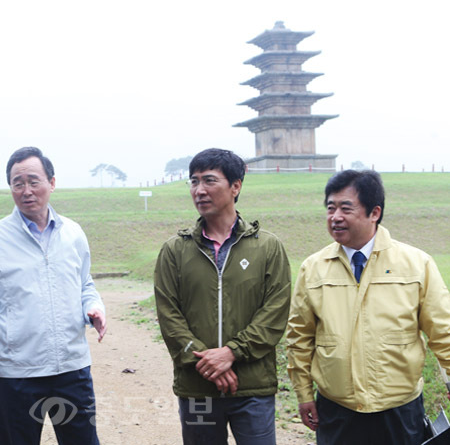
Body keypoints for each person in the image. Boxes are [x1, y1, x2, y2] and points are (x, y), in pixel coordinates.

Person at [286, 169, 450, 445]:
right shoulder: (313, 268)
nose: (335, 216)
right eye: (330, 208)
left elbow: (443, 331)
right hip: (337, 410)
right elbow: (299, 338)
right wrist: (304, 395)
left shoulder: (416, 264)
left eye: (345, 208)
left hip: (399, 409)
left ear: (374, 212)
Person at [0, 146, 106, 445]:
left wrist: (93, 308)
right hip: (17, 374)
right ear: (10, 188)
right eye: (18, 183)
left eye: (33, 181)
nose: (26, 190)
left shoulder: (73, 233)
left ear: (52, 183)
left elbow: (85, 284)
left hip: (72, 367)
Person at [154, 148, 291, 445]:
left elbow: (275, 313)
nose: (199, 190)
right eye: (194, 182)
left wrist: (231, 353)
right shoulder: (175, 250)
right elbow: (168, 315)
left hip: (252, 387)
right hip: (197, 388)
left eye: (209, 181)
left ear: (236, 186)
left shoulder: (267, 247)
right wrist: (206, 362)